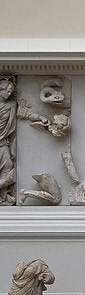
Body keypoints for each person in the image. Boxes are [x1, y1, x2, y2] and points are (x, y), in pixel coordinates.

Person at [0, 78, 48, 206]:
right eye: (7, 91)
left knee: (8, 167)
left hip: (3, 142)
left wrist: (40, 117)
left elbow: (25, 114)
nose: (9, 93)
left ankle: (3, 195)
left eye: (11, 91)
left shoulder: (11, 105)